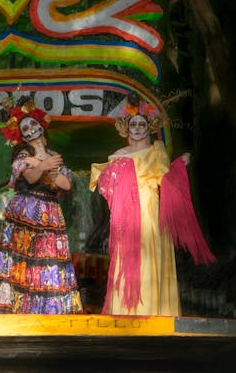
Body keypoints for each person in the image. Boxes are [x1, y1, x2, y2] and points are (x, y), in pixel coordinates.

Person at [89, 97, 214, 316]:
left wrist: (179, 165)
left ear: (149, 128)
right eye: (133, 124)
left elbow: (167, 181)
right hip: (126, 214)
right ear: (127, 127)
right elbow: (105, 184)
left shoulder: (157, 150)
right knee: (126, 256)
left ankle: (152, 310)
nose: (137, 128)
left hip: (151, 208)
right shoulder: (118, 155)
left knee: (150, 254)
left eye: (142, 124)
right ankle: (127, 310)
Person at [0, 98, 83, 314]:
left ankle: (49, 311)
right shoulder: (23, 155)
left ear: (42, 125)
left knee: (49, 259)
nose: (31, 129)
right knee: (24, 260)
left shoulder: (53, 156)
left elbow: (65, 183)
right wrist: (42, 166)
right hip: (27, 210)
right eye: (25, 128)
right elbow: (30, 178)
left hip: (50, 212)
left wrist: (47, 167)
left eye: (33, 124)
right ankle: (20, 311)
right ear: (20, 135)